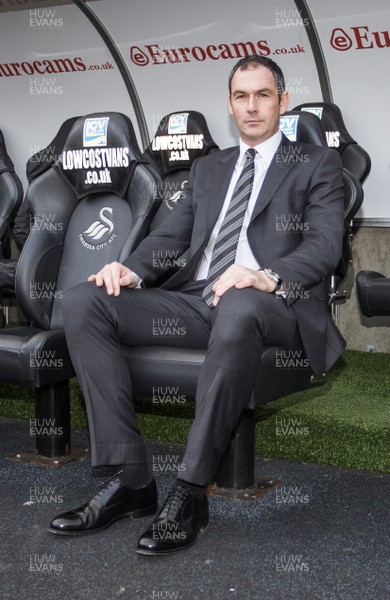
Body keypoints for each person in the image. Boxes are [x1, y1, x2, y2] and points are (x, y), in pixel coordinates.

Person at [48, 55, 345, 554]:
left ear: (282, 100)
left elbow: (325, 243)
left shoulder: (316, 164)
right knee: (85, 301)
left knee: (241, 301)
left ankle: (189, 492)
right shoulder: (209, 168)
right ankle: (133, 481)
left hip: (274, 307)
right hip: (197, 301)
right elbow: (170, 236)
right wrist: (132, 269)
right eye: (241, 96)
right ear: (230, 105)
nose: (252, 107)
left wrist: (265, 275)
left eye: (263, 95)